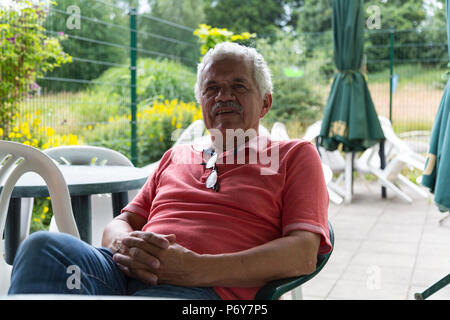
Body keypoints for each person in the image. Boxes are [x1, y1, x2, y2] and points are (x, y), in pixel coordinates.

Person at [8, 42, 332, 300]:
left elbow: (302, 253)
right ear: (201, 102)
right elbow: (121, 222)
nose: (223, 97)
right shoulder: (177, 155)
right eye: (212, 88)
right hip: (121, 273)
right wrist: (124, 246)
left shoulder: (294, 156)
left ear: (265, 103)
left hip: (203, 290)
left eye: (238, 86)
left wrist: (196, 269)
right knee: (41, 248)